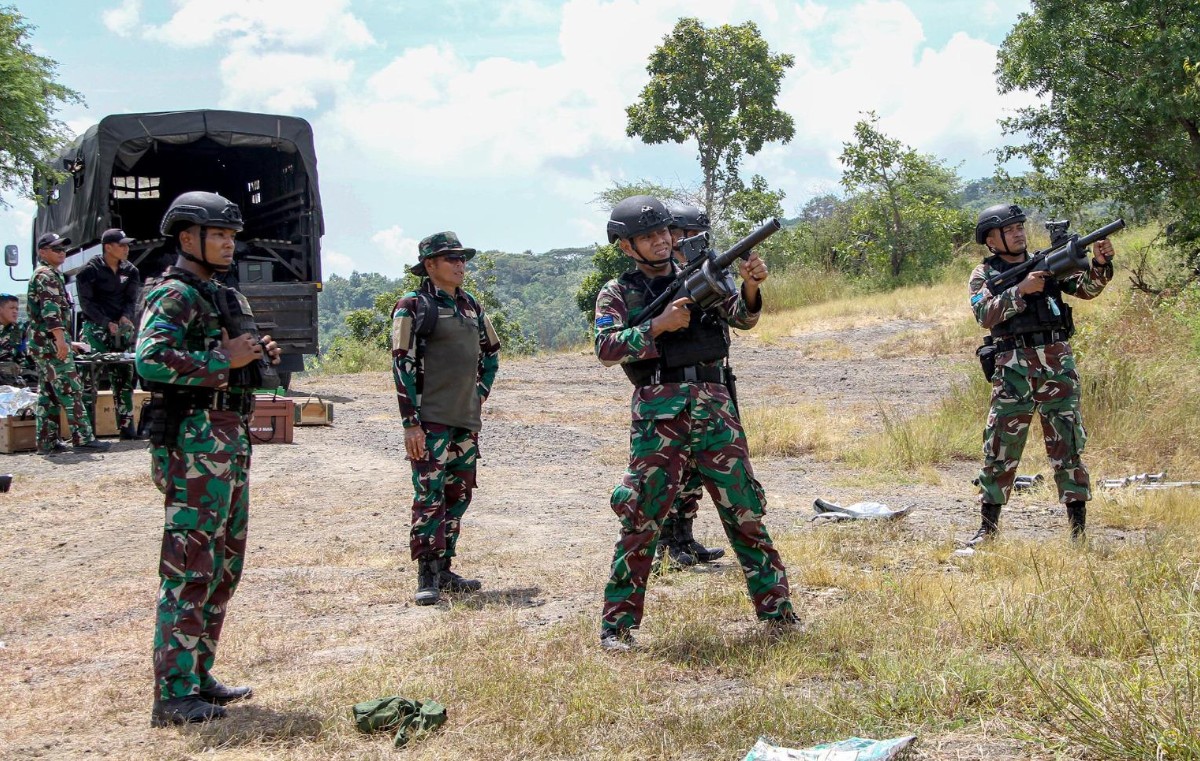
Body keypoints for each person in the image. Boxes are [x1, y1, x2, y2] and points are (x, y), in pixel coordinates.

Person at [594, 195, 796, 651]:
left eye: (665, 231)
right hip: (658, 412)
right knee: (641, 515)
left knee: (745, 511)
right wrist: (658, 326)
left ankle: (779, 614)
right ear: (627, 246)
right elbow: (606, 349)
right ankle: (617, 628)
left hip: (714, 404)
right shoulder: (617, 292)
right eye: (648, 236)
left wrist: (748, 286)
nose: (662, 241)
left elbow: (744, 319)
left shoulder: (701, 273)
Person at [137, 191, 281, 727]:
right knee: (189, 565)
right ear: (186, 238)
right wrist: (224, 358)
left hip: (226, 434)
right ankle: (173, 694)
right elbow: (149, 361)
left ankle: (198, 676)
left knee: (224, 563)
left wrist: (252, 355)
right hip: (195, 439)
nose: (227, 244)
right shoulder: (173, 294)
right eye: (217, 235)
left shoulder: (215, 292)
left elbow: (230, 353)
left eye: (230, 236)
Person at [967, 203, 1115, 546]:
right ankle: (987, 531)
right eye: (1011, 228)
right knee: (1000, 449)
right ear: (992, 238)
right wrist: (1021, 291)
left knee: (1068, 447)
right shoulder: (984, 274)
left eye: (1021, 226)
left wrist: (1102, 264)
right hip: (1012, 371)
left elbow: (1087, 289)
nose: (1020, 232)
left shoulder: (1048, 262)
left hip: (1056, 366)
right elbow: (984, 314)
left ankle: (1079, 535)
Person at [391, 231, 500, 606]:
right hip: (430, 420)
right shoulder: (412, 306)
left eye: (461, 258)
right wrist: (411, 423)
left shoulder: (471, 305)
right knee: (429, 494)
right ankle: (427, 573)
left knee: (460, 492)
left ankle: (446, 568)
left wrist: (477, 396)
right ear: (429, 265)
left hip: (465, 421)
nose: (459, 264)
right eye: (450, 258)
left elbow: (492, 357)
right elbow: (401, 365)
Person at [655, 199, 726, 568]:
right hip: (671, 394)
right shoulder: (662, 286)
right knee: (670, 472)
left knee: (695, 471)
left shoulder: (704, 278)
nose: (693, 243)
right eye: (687, 236)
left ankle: (684, 536)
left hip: (712, 387)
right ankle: (666, 543)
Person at [26, 233, 110, 455]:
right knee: (71, 389)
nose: (61, 252)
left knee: (49, 394)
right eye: (56, 249)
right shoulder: (47, 276)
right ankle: (82, 438)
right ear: (42, 252)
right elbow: (51, 312)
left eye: (63, 249)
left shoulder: (49, 274)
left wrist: (65, 340)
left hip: (43, 344)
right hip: (50, 345)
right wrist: (60, 341)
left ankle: (47, 441)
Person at [76, 227, 141, 438]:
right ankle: (87, 432)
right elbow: (86, 303)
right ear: (108, 248)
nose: (126, 249)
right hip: (95, 328)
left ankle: (126, 428)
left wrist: (125, 317)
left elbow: (132, 300)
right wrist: (105, 322)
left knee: (124, 376)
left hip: (120, 329)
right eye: (121, 245)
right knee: (89, 378)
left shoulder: (131, 271)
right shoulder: (89, 270)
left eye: (127, 245)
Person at [0, 293, 38, 387]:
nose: (15, 311)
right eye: (11, 308)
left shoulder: (20, 330)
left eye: (17, 309)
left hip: (18, 375)